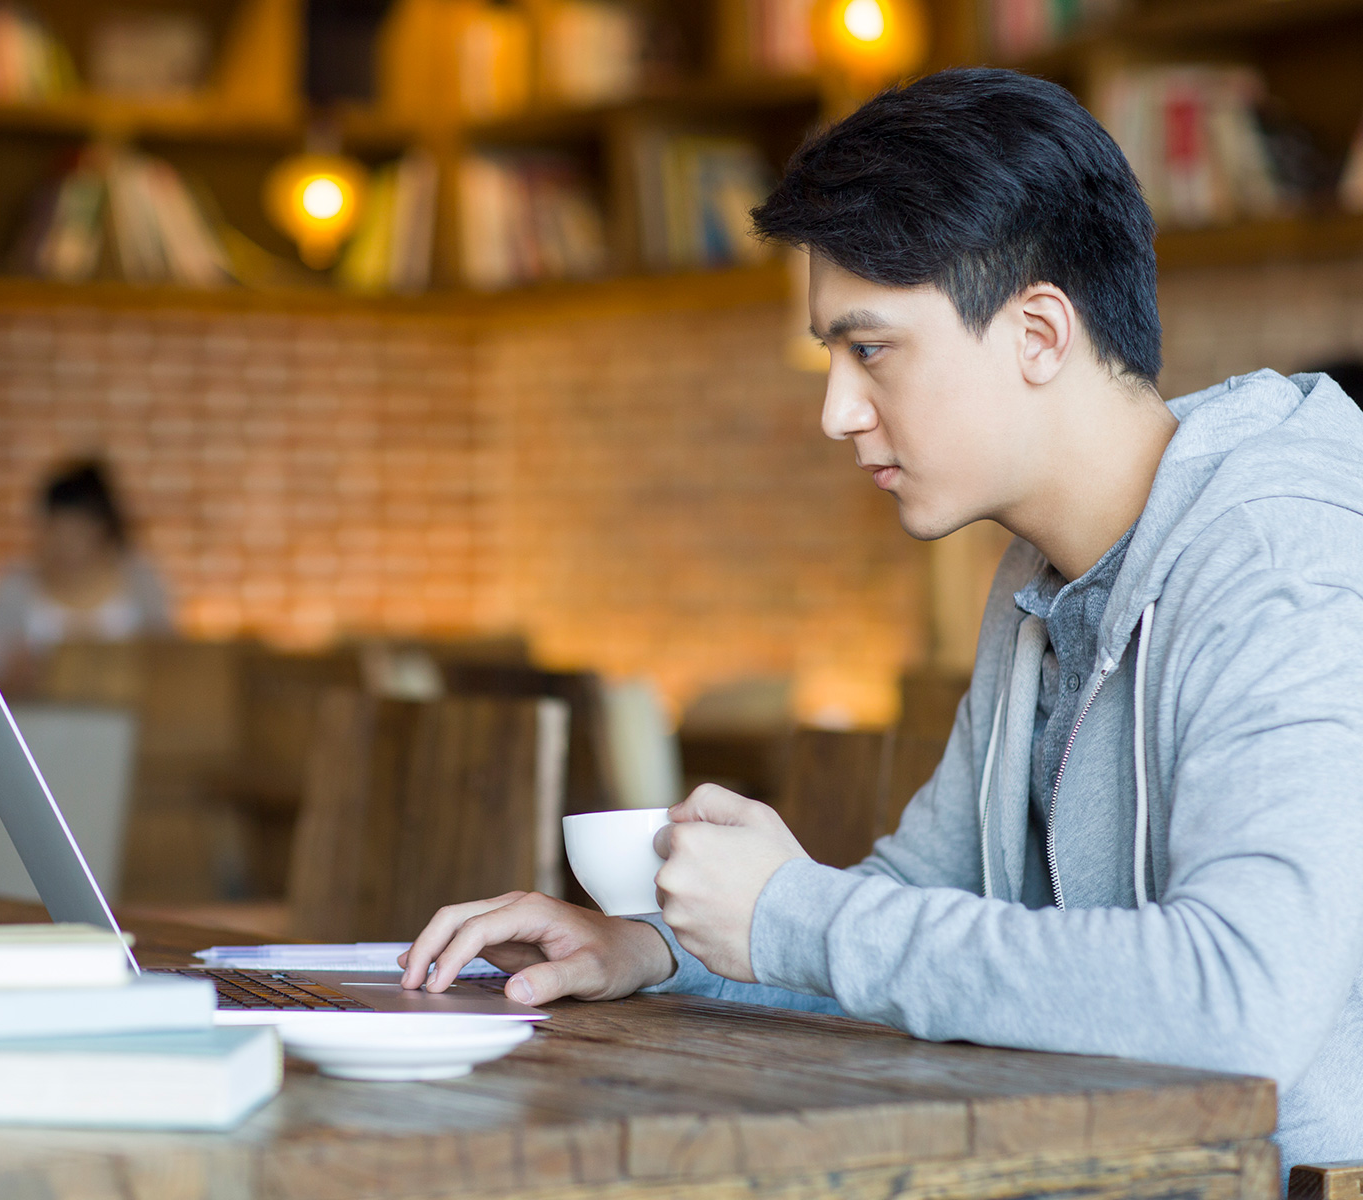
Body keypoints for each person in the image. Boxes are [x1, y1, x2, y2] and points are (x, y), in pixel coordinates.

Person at [399, 68, 1363, 1172]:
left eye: (873, 349)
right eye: (831, 355)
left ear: (1039, 332)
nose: (837, 411)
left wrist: (794, 917)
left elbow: (1244, 1000)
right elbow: (914, 901)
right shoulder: (1040, 574)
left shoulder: (1285, 558)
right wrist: (660, 947)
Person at [0, 459, 172, 692]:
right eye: (58, 530)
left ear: (103, 530)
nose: (69, 545)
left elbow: (168, 666)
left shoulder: (141, 582)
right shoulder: (14, 586)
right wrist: (7, 677)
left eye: (79, 531)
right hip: (37, 722)